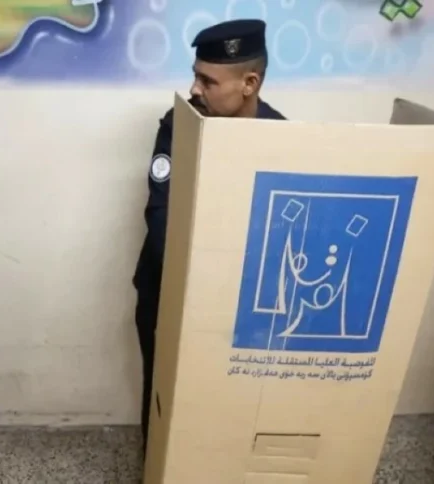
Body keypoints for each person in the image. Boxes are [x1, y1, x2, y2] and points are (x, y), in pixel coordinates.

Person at [132, 19, 286, 450]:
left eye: (207, 80)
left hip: (240, 305)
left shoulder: (283, 136)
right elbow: (161, 216)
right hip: (168, 289)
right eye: (195, 76)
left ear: (249, 83)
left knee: (224, 413)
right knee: (163, 403)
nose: (194, 89)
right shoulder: (178, 125)